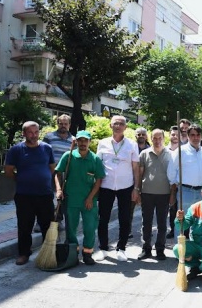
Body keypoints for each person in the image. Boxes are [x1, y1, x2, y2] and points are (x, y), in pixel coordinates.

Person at [4, 121, 56, 266]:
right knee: (25, 226)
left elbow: (52, 168)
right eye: (30, 132)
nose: (33, 135)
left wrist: (42, 178)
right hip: (24, 195)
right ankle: (24, 253)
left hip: (45, 194)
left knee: (48, 225)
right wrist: (21, 179)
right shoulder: (16, 150)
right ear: (24, 133)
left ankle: (48, 253)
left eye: (36, 132)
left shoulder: (47, 148)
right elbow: (8, 171)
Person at [55, 131, 105, 266]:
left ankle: (88, 253)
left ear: (89, 142)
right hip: (71, 199)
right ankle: (73, 254)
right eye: (80, 140)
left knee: (90, 227)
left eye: (85, 140)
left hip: (89, 201)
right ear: (76, 141)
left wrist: (90, 198)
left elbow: (99, 180)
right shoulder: (68, 156)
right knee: (71, 228)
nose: (83, 143)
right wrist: (59, 190)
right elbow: (58, 173)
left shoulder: (95, 159)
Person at [95, 115, 140, 262]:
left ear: (125, 128)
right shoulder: (102, 143)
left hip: (125, 186)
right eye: (115, 123)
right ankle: (103, 248)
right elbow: (98, 165)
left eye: (121, 124)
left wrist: (136, 188)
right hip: (106, 186)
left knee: (125, 218)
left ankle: (121, 248)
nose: (118, 126)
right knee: (103, 218)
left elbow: (135, 168)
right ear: (110, 126)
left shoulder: (132, 145)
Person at [167, 124, 202, 238]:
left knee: (198, 222)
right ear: (188, 136)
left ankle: (193, 250)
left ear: (201, 136)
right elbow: (171, 171)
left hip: (201, 192)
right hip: (185, 191)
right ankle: (180, 250)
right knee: (182, 221)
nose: (195, 137)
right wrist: (174, 185)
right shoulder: (181, 151)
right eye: (192, 135)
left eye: (198, 135)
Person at [136, 129, 172, 261]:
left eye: (159, 138)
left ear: (164, 138)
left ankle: (160, 249)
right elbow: (140, 174)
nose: (157, 141)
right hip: (147, 193)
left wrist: (173, 194)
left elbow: (173, 176)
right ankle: (146, 249)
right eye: (154, 138)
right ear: (150, 139)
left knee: (162, 224)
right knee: (146, 223)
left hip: (164, 194)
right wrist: (138, 191)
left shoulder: (170, 154)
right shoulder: (144, 154)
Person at [42, 114, 74, 232]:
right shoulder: (49, 137)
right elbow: (42, 153)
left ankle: (58, 220)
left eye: (66, 124)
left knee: (61, 197)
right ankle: (41, 221)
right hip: (49, 172)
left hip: (65, 174)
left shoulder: (73, 140)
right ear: (57, 124)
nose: (63, 126)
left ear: (69, 125)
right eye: (61, 123)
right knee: (45, 197)